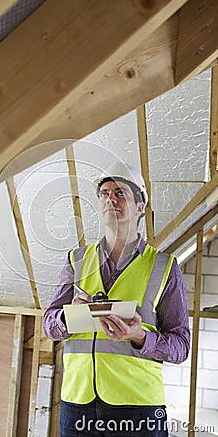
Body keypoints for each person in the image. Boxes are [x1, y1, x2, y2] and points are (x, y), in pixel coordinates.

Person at [43, 162, 190, 437]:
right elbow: (49, 324)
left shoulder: (164, 267)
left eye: (120, 192)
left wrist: (140, 337)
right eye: (104, 193)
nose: (110, 198)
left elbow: (181, 346)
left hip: (137, 408)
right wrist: (68, 317)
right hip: (77, 404)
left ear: (140, 206)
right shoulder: (76, 261)